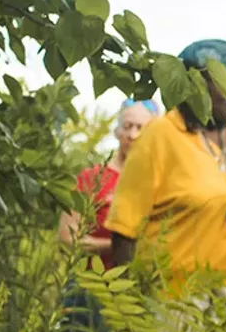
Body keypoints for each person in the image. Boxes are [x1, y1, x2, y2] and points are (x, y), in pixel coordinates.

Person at [106, 39, 226, 300]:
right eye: (224, 81)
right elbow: (124, 231)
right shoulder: (159, 136)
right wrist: (128, 312)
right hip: (176, 300)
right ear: (194, 85)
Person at [58, 101, 157, 263]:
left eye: (141, 128)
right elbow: (66, 238)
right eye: (127, 126)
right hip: (91, 281)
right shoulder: (91, 179)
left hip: (141, 282)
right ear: (116, 131)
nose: (132, 135)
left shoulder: (159, 182)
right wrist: (118, 246)